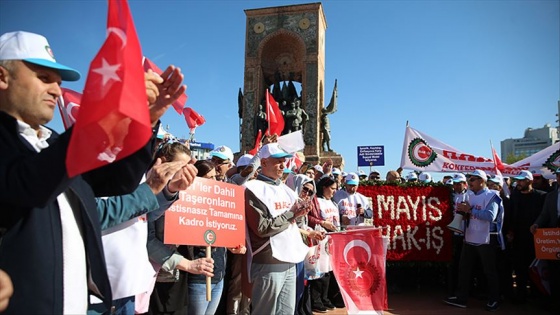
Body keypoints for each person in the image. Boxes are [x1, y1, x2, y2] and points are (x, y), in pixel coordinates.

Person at [0, 31, 184, 314]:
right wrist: (106, 111)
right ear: (3, 77)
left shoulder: (49, 141)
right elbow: (30, 184)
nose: (56, 91)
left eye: (59, 83)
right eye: (44, 78)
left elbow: (114, 182)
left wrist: (143, 122)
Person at [244, 143, 312, 314]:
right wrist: (291, 214)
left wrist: (300, 213)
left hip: (290, 259)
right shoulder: (252, 189)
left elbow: (292, 222)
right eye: (278, 161)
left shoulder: (286, 190)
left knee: (286, 311)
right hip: (268, 261)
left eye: (284, 161)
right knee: (265, 311)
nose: (283, 165)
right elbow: (262, 227)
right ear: (264, 163)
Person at [187, 160, 246, 315]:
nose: (214, 182)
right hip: (199, 278)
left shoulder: (218, 205)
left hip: (218, 275)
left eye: (215, 177)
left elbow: (218, 235)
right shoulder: (188, 205)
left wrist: (231, 245)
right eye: (208, 178)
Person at [444, 170, 503, 312]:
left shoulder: (492, 196)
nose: (470, 182)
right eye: (469, 179)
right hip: (470, 236)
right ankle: (461, 297)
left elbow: (490, 216)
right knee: (464, 268)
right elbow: (469, 214)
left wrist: (469, 211)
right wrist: (463, 214)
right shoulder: (469, 196)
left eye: (473, 180)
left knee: (489, 271)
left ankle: (494, 299)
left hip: (487, 238)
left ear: (482, 181)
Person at [508, 170, 546, 303]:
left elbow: (545, 217)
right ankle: (521, 296)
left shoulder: (542, 196)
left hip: (536, 239)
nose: (518, 183)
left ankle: (537, 295)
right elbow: (512, 214)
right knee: (519, 268)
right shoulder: (515, 196)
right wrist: (510, 231)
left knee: (535, 268)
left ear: (529, 181)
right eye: (517, 180)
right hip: (518, 239)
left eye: (521, 180)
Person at [530, 168, 560, 311]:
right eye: (558, 176)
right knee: (554, 273)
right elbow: (544, 215)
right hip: (554, 241)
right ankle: (554, 302)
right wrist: (536, 224)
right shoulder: (551, 196)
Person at [308, 176, 340, 313]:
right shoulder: (316, 201)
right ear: (324, 187)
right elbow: (309, 217)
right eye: (332, 188)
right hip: (319, 239)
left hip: (331, 241)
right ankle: (316, 300)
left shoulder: (333, 203)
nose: (334, 191)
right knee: (318, 270)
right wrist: (322, 223)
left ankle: (325, 298)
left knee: (328, 270)